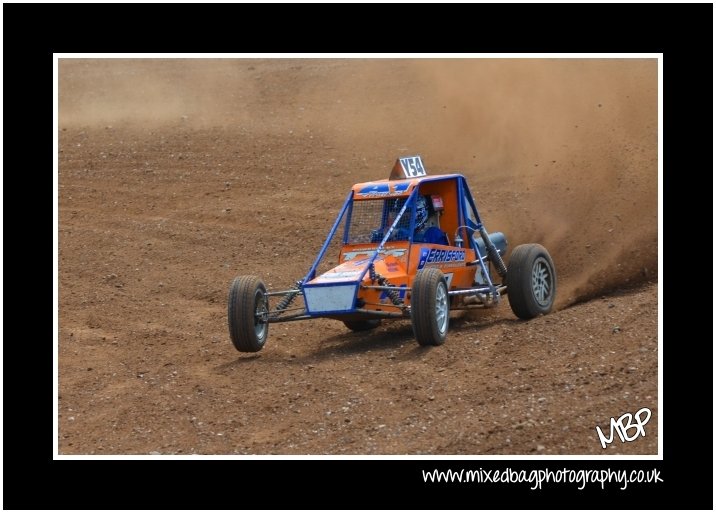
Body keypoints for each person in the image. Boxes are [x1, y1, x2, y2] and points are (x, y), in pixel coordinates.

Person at [370, 195, 449, 245]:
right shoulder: (392, 234)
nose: (403, 216)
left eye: (407, 212)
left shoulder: (433, 234)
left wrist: (399, 233)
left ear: (419, 212)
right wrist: (381, 236)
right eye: (400, 212)